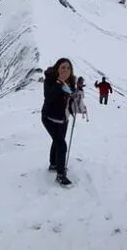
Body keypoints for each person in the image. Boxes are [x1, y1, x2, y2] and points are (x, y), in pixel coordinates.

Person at [41, 58, 76, 186]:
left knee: (57, 140)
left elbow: (70, 99)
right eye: (63, 67)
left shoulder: (71, 82)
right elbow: (48, 97)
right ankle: (60, 175)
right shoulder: (50, 80)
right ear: (57, 68)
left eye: (68, 68)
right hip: (49, 118)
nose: (65, 70)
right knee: (61, 144)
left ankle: (53, 164)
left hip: (63, 119)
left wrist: (75, 104)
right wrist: (59, 82)